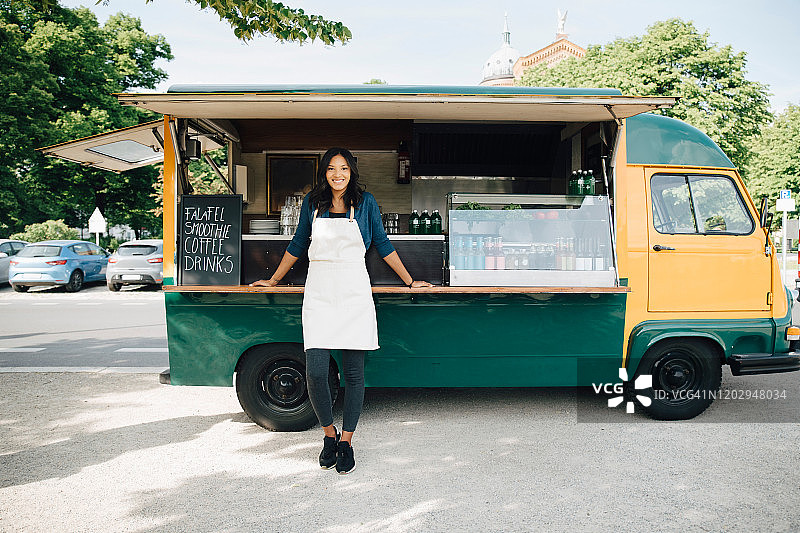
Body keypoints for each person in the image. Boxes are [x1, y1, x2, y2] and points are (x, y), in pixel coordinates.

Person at [251, 147, 431, 474]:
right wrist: (274, 280)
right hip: (319, 290)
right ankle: (328, 434)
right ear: (324, 172)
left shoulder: (366, 203)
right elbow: (297, 245)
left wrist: (410, 281)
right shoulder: (312, 204)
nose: (338, 174)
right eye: (332, 169)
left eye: (344, 169)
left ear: (352, 172)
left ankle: (347, 441)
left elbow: (383, 244)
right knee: (317, 371)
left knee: (353, 374)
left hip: (353, 289)